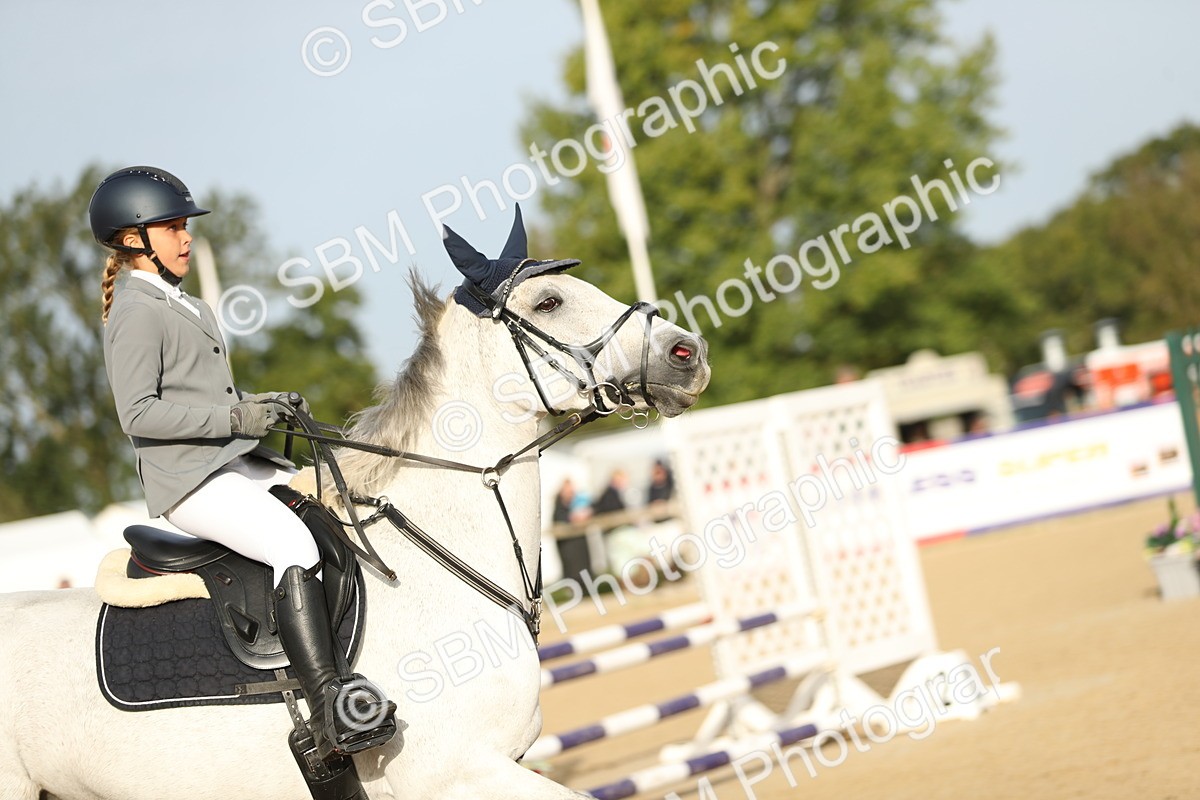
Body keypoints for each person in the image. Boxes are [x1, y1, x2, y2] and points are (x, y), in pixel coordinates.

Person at [90, 166, 394, 763]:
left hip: (229, 464)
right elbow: (140, 414)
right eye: (173, 227)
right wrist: (234, 422)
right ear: (133, 239)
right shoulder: (135, 310)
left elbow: (204, 398)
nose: (186, 238)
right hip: (190, 481)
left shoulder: (185, 304)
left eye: (183, 227)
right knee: (292, 546)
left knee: (330, 513)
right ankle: (328, 703)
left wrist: (260, 407)